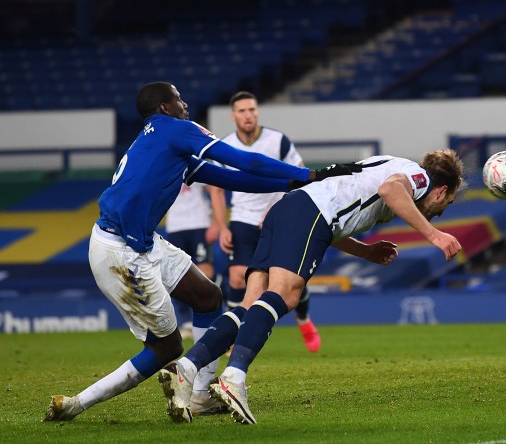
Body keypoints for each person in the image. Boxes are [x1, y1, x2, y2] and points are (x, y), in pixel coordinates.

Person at [44, 82, 320, 422]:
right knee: (167, 348)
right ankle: (75, 404)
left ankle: (201, 395)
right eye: (177, 98)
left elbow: (232, 179)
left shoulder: (160, 141)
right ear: (164, 107)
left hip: (139, 241)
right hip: (120, 250)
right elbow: (243, 162)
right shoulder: (177, 130)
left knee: (208, 297)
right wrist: (307, 174)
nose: (185, 103)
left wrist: (293, 183)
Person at [159, 150, 465, 424]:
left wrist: (366, 251)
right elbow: (388, 191)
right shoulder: (418, 177)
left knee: (250, 304)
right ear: (441, 191)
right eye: (445, 205)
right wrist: (434, 235)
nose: (438, 212)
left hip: (289, 208)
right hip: (309, 212)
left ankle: (186, 368)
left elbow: (339, 213)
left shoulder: (386, 165)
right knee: (285, 294)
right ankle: (233, 377)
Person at [220, 91, 321, 353]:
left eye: (252, 110)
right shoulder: (226, 145)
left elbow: (300, 175)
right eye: (242, 111)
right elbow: (216, 188)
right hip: (242, 218)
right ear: (233, 116)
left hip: (278, 219)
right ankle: (236, 335)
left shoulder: (278, 141)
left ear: (257, 113)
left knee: (290, 281)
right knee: (237, 280)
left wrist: (281, 207)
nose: (248, 115)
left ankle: (304, 318)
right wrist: (222, 226)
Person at [163, 181, 230, 414]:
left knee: (204, 275)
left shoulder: (195, 159)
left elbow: (214, 188)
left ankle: (208, 322)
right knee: (176, 279)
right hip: (175, 226)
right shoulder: (167, 163)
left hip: (199, 223)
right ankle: (187, 323)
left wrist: (214, 222)